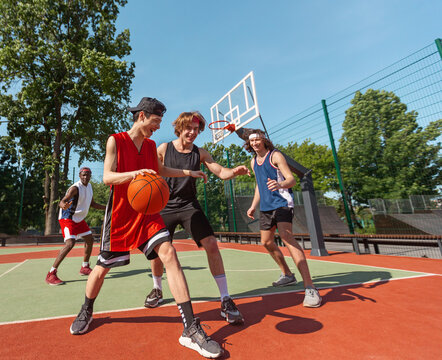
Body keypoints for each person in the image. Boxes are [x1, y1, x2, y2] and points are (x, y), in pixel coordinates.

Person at [69, 97, 223, 359]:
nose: (157, 127)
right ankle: (86, 309)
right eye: (156, 121)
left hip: (148, 213)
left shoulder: (151, 145)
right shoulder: (115, 140)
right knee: (102, 267)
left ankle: (190, 329)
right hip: (120, 214)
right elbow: (107, 176)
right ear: (142, 116)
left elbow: (160, 169)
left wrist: (188, 173)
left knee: (169, 254)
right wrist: (135, 174)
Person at [143, 111, 249, 325]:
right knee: (158, 253)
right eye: (189, 128)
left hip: (189, 205)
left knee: (211, 244)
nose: (192, 132)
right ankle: (157, 288)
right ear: (180, 127)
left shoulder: (200, 153)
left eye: (196, 129)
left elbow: (220, 171)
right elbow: (153, 170)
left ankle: (225, 299)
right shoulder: (164, 148)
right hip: (163, 205)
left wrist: (233, 172)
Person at [243, 129, 322, 308]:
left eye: (258, 139)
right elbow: (259, 185)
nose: (255, 143)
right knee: (266, 242)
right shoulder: (253, 161)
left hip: (282, 203)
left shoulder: (275, 156)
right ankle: (287, 274)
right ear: (249, 144)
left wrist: (280, 184)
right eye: (252, 140)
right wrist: (253, 205)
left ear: (264, 140)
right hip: (266, 207)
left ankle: (310, 287)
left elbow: (291, 180)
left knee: (287, 237)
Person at [45, 167, 106, 285]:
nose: (85, 177)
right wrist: (63, 205)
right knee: (70, 243)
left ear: (90, 176)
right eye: (83, 175)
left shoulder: (89, 187)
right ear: (79, 175)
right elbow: (62, 201)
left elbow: (92, 204)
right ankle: (51, 274)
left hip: (79, 219)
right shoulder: (75, 188)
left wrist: (107, 207)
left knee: (89, 238)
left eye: (87, 175)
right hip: (67, 218)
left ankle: (85, 267)